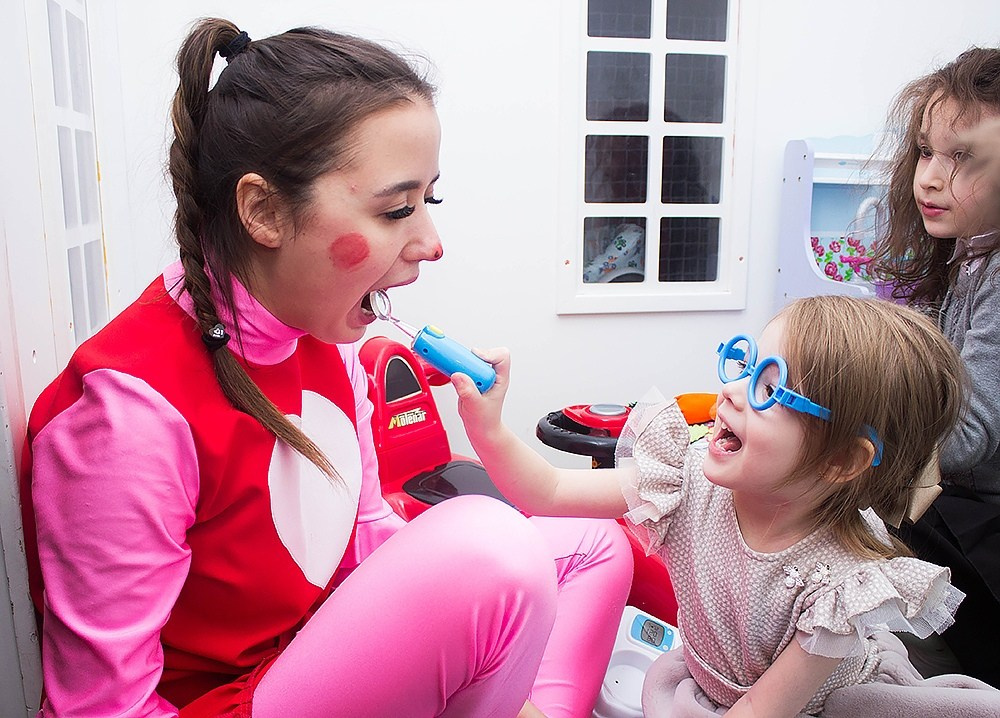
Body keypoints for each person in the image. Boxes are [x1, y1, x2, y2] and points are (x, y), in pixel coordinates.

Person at [17, 18, 633, 718]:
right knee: (495, 549)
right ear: (264, 211)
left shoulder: (328, 348)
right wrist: (476, 588)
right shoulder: (128, 416)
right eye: (397, 208)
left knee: (594, 547)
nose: (431, 244)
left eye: (427, 201)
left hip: (307, 655)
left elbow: (364, 540)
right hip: (226, 704)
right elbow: (100, 708)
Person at [450, 294, 1000, 717]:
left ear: (840, 462)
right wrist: (490, 427)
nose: (731, 391)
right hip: (710, 682)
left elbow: (763, 710)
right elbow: (546, 490)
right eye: (745, 363)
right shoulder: (686, 480)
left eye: (769, 388)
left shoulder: (839, 584)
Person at [871, 47, 1000, 687]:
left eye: (961, 158)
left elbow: (967, 433)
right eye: (926, 152)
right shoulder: (966, 256)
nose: (928, 177)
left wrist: (862, 445)